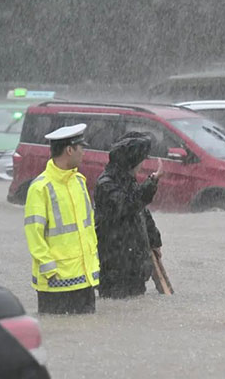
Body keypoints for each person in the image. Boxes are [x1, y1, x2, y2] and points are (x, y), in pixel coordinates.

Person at [24, 123, 100, 314]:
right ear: (69, 150)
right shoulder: (40, 188)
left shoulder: (79, 181)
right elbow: (34, 235)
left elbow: (88, 228)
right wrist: (50, 271)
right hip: (55, 285)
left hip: (84, 281)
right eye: (81, 148)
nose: (83, 153)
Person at [94, 132, 164, 298]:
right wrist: (152, 182)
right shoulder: (106, 184)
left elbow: (142, 213)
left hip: (135, 268)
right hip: (115, 270)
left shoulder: (127, 180)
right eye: (140, 161)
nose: (142, 166)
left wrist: (155, 241)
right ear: (131, 162)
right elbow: (128, 205)